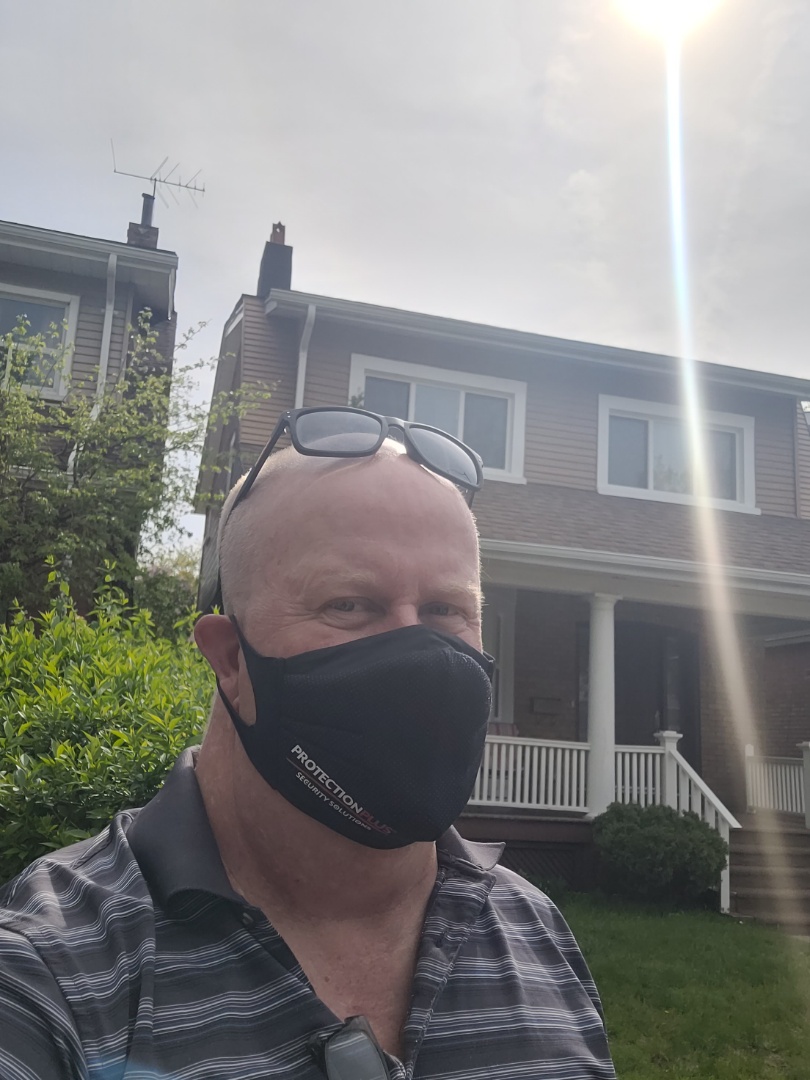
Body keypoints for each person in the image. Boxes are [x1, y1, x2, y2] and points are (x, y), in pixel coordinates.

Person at [0, 407, 616, 1079]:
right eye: (350, 605)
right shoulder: (49, 972)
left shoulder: (534, 930)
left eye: (446, 610)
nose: (419, 653)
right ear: (230, 659)